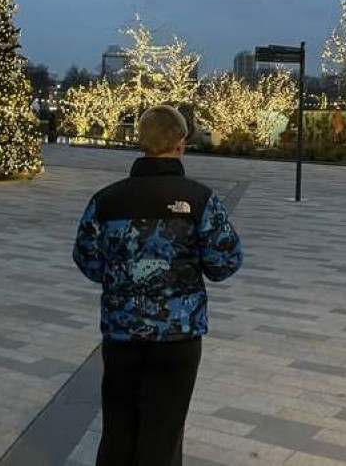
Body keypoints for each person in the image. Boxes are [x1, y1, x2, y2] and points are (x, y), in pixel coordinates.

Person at [72, 104, 243, 466]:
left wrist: (122, 276)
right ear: (181, 143)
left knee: (119, 428)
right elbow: (224, 263)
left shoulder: (107, 200)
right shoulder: (200, 200)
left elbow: (88, 260)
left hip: (122, 333)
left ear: (141, 141)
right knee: (163, 434)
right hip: (177, 336)